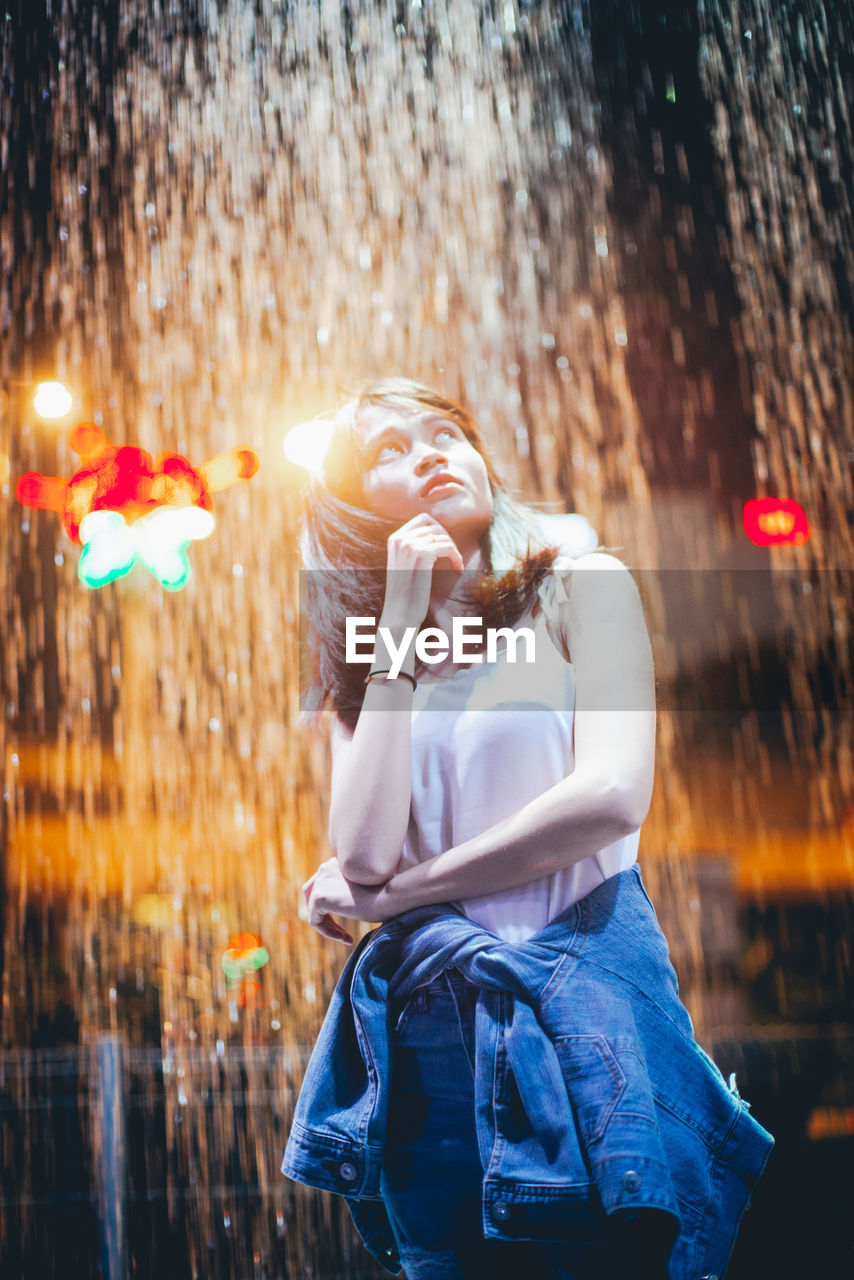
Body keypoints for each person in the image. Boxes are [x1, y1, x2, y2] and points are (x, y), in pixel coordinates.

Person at [282, 378, 773, 1280]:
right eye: (387, 451)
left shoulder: (582, 587)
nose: (428, 452)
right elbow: (361, 851)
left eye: (445, 434)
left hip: (579, 1022)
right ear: (353, 508)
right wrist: (396, 620)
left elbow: (613, 796)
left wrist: (407, 894)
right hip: (426, 1048)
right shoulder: (367, 657)